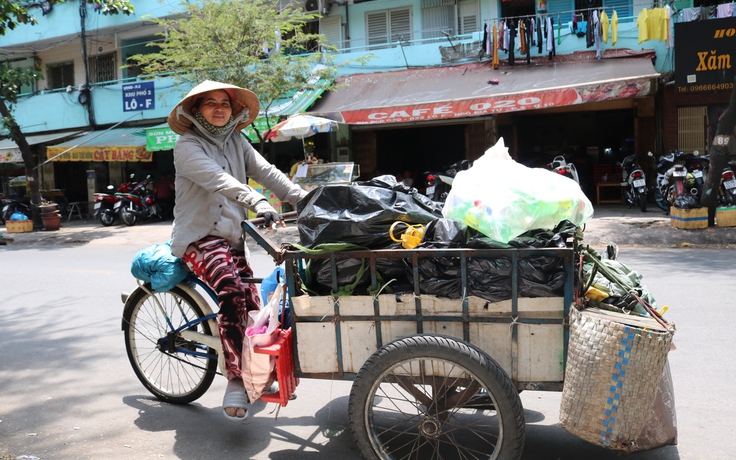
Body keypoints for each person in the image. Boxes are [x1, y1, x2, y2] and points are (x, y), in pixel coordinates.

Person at [167, 80, 307, 422]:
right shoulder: (186, 146)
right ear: (195, 110)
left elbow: (267, 172)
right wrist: (256, 200)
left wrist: (305, 198)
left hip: (231, 239)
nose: (219, 109)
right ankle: (235, 380)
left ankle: (257, 366)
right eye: (210, 103)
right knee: (231, 292)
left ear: (234, 110)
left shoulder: (237, 142)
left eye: (225, 104)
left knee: (256, 306)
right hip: (199, 238)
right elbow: (218, 180)